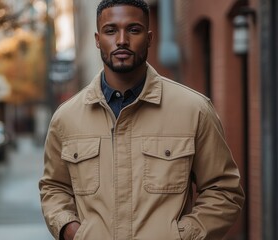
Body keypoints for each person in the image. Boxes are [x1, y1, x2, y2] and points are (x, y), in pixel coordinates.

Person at [39, 0, 245, 239]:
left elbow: (225, 191)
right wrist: (71, 231)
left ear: (149, 38)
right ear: (97, 39)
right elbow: (54, 188)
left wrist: (182, 236)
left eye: (133, 30)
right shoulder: (67, 118)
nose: (122, 40)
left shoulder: (194, 110)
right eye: (111, 30)